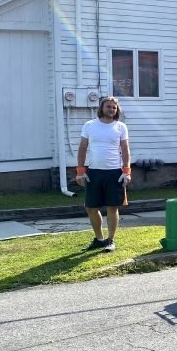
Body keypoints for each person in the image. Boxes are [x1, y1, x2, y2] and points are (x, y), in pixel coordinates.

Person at [75, 95, 131, 252]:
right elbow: (82, 148)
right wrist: (80, 171)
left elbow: (126, 151)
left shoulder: (120, 127)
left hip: (114, 173)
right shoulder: (89, 125)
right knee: (91, 207)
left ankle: (110, 240)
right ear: (101, 108)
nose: (112, 109)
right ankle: (99, 239)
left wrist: (127, 171)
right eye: (109, 106)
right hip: (94, 173)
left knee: (113, 208)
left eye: (114, 107)